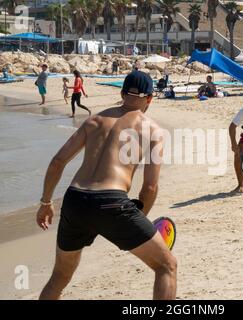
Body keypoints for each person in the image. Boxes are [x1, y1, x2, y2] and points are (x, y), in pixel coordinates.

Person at [36, 70, 177, 300]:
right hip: (112, 202)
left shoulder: (94, 120)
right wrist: (139, 220)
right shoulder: (152, 129)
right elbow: (150, 188)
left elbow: (57, 162)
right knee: (166, 266)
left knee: (59, 277)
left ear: (122, 93)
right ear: (150, 98)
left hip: (75, 200)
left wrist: (45, 202)